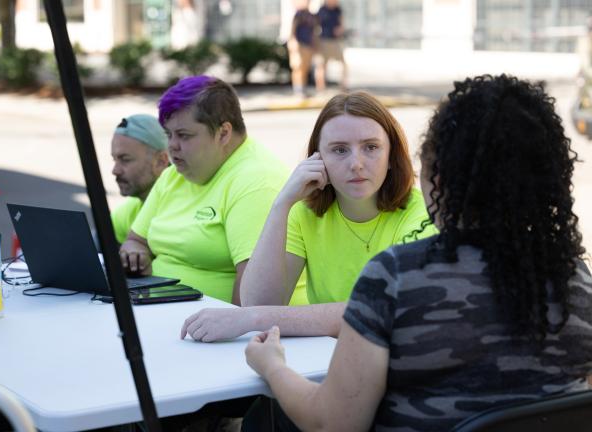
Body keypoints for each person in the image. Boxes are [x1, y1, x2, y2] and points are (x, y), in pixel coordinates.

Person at [244, 75, 592, 431]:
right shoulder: (577, 279)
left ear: (437, 180)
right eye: (340, 149)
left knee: (264, 419)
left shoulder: (396, 277)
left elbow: (331, 424)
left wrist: (273, 367)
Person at [181, 91, 435, 342]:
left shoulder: (420, 214)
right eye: (339, 150)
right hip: (327, 355)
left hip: (402, 357)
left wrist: (256, 319)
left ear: (391, 156)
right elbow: (259, 302)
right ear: (318, 158)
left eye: (371, 147)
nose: (356, 163)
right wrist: (282, 204)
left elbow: (383, 309)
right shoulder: (305, 212)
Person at [119, 76, 288, 305]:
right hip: (159, 310)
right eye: (168, 134)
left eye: (184, 135)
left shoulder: (256, 182)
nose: (172, 146)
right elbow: (136, 240)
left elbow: (251, 300)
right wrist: (134, 252)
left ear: (223, 133)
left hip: (212, 328)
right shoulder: (176, 174)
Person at [110, 114, 169, 244]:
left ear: (161, 161)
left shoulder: (181, 211)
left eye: (125, 159)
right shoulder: (126, 214)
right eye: (114, 159)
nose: (115, 170)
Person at [315, 0, 348, 92]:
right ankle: (320, 87)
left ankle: (343, 85)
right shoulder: (322, 10)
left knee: (343, 64)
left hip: (336, 41)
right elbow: (316, 25)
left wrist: (341, 29)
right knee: (322, 64)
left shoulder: (338, 10)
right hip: (324, 41)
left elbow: (341, 22)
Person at [288, 0, 318, 97]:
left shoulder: (311, 16)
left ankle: (303, 89)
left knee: (305, 68)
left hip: (308, 45)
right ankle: (297, 90)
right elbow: (293, 29)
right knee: (297, 68)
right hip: (299, 45)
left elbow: (313, 32)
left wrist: (314, 45)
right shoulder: (298, 14)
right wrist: (293, 42)